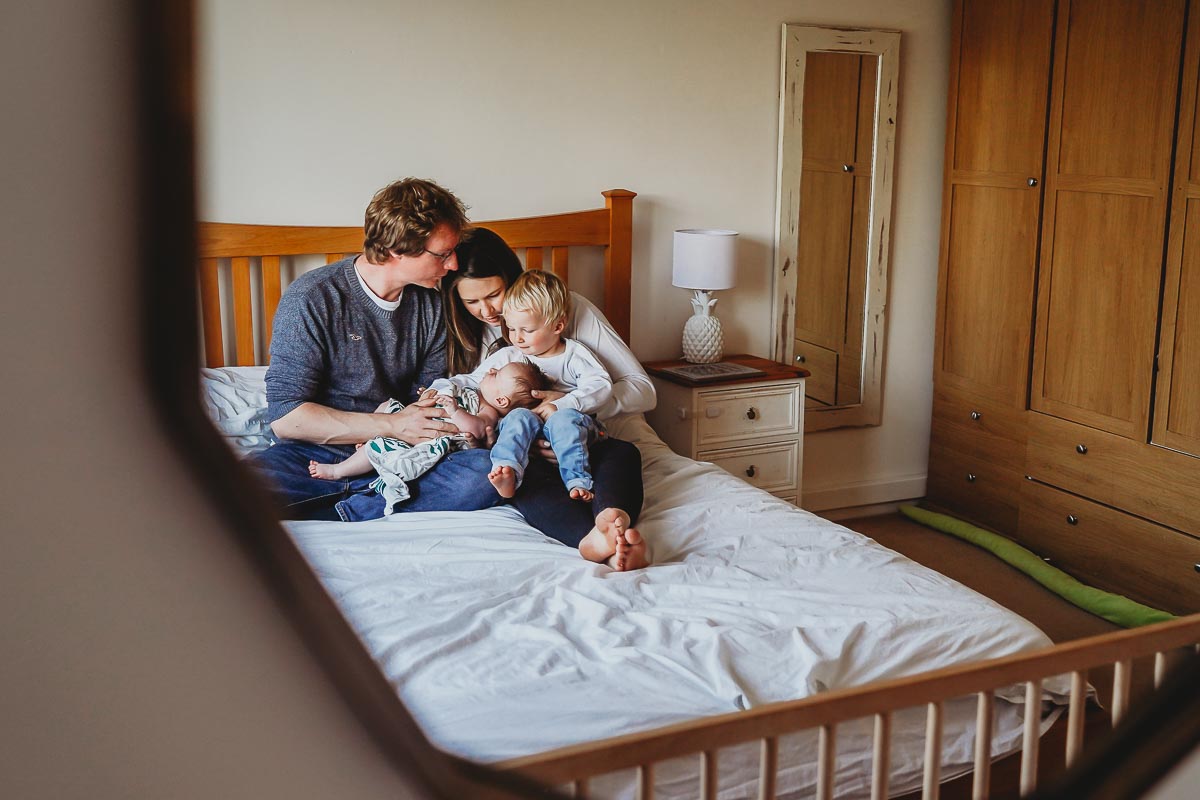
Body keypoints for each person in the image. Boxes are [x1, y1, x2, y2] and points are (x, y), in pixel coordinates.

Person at [245, 178, 501, 522]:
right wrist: (390, 425)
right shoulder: (313, 297)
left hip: (400, 454)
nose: (453, 264)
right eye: (443, 254)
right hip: (313, 452)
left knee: (484, 473)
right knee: (226, 491)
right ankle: (375, 499)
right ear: (397, 250)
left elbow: (427, 395)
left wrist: (453, 420)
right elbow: (287, 418)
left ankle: (353, 505)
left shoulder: (433, 305)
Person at [444, 228, 656, 570]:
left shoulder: (565, 315)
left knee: (623, 454)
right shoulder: (483, 339)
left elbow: (642, 389)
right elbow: (469, 386)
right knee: (524, 485)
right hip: (532, 451)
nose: (486, 312)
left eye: (494, 295)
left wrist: (567, 403)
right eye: (471, 301)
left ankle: (613, 518)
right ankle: (592, 538)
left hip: (585, 436)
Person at [434, 270, 613, 503]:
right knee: (518, 416)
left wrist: (563, 403)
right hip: (529, 433)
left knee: (564, 420)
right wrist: (443, 389)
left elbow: (601, 385)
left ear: (558, 326)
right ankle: (507, 470)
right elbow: (470, 380)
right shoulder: (509, 355)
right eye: (511, 328)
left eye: (526, 330)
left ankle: (577, 481)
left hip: (569, 427)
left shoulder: (573, 355)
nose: (517, 338)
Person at [306, 361, 547, 515]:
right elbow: (446, 389)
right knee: (387, 406)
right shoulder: (472, 392)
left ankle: (338, 471)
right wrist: (431, 395)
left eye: (497, 376)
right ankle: (372, 441)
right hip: (413, 422)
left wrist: (455, 411)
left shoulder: (489, 413)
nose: (491, 370)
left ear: (502, 401)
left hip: (430, 438)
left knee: (380, 447)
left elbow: (474, 429)